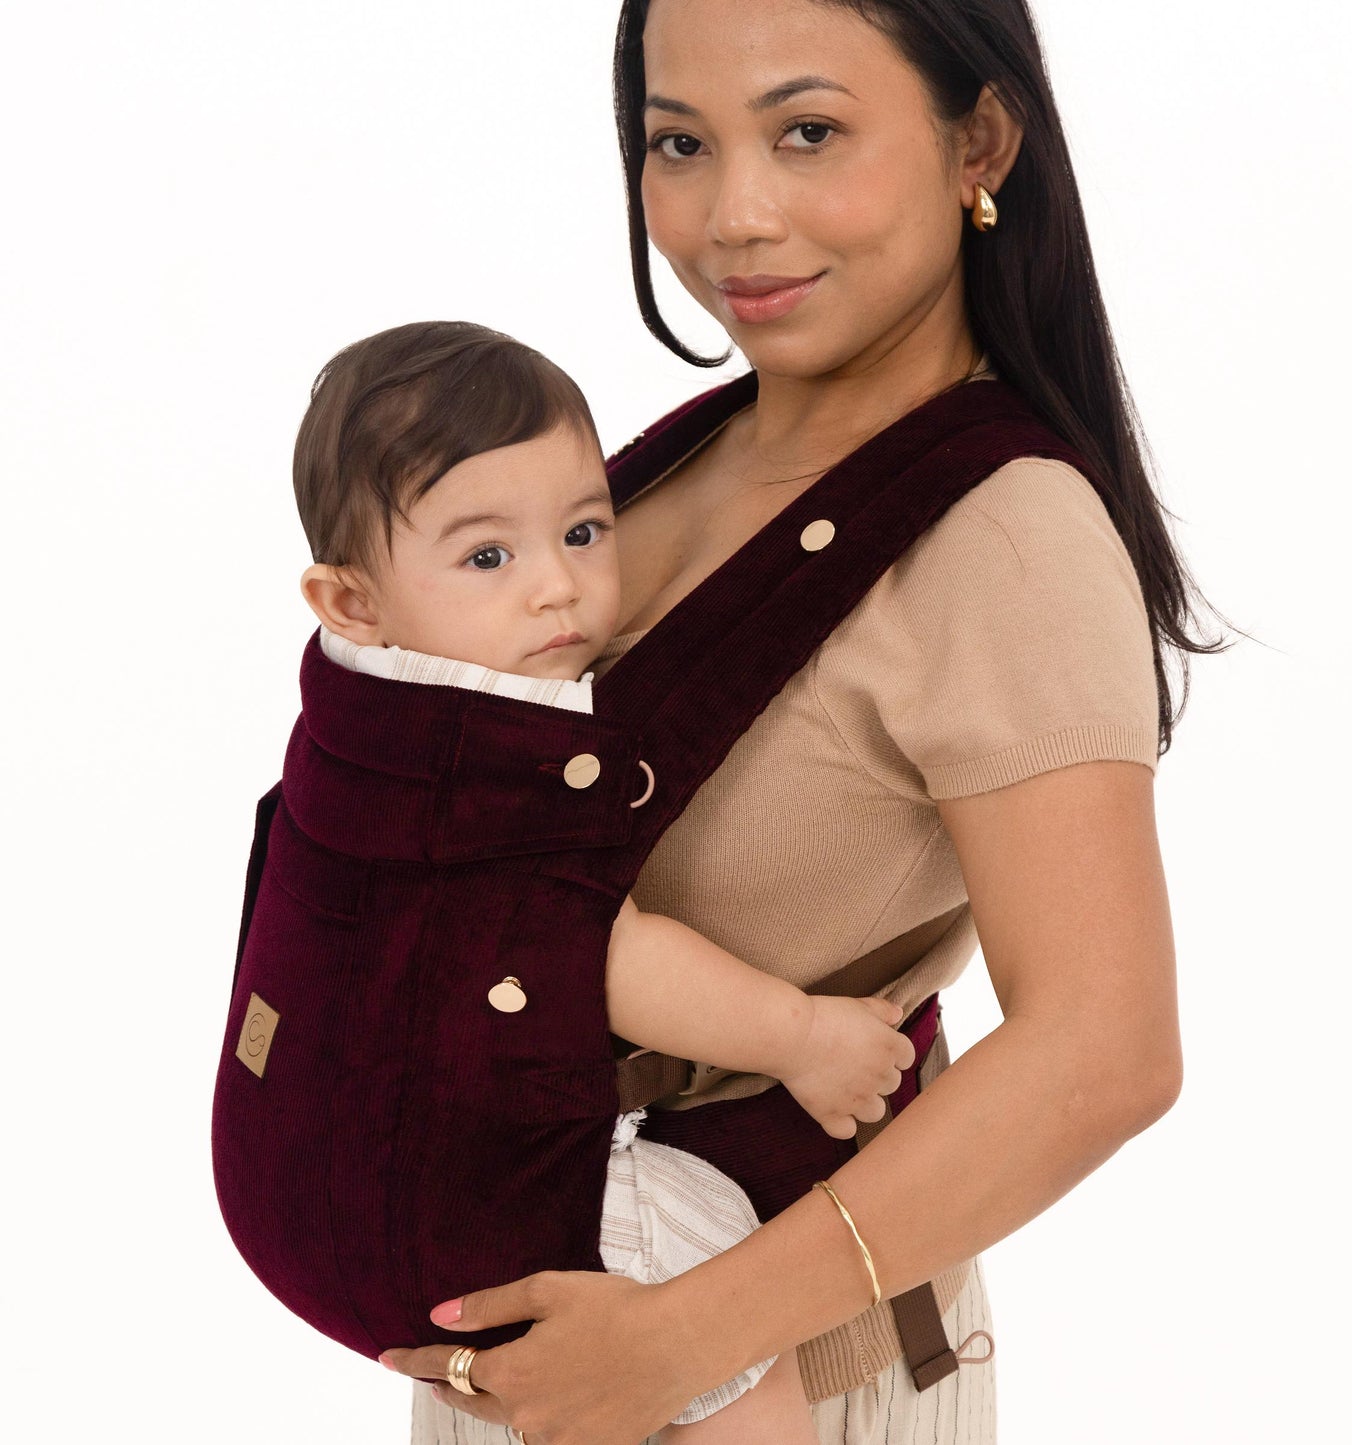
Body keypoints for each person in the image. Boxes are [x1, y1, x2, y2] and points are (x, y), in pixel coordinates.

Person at [385, 1, 1213, 1441]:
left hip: (760, 1371)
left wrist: (676, 1342)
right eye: (678, 145)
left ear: (978, 141)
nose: (734, 216)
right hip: (552, 1345)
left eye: (808, 131)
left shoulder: (1003, 534)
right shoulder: (654, 478)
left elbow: (1105, 1050)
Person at [217, 319, 917, 1444]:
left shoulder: (359, 718)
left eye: (584, 531)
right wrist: (802, 1037)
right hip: (456, 1212)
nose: (558, 587)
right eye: (487, 558)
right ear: (349, 602)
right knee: (727, 1299)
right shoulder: (479, 751)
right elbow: (593, 953)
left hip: (300, 1195)